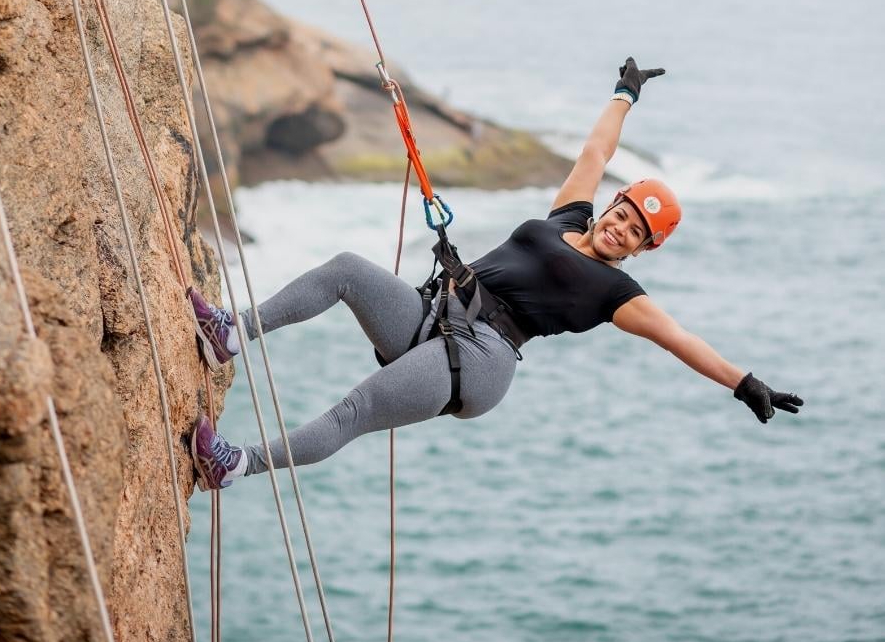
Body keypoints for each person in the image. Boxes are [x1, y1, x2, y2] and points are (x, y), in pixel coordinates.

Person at [188, 58, 803, 491]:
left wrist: (744, 382)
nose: (621, 229)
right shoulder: (570, 214)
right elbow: (595, 154)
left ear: (640, 251)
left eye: (636, 234)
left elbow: (681, 339)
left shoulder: (617, 293)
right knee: (348, 268)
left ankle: (235, 465)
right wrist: (625, 96)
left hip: (481, 358)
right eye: (624, 214)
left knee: (355, 409)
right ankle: (230, 334)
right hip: (439, 314)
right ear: (613, 205)